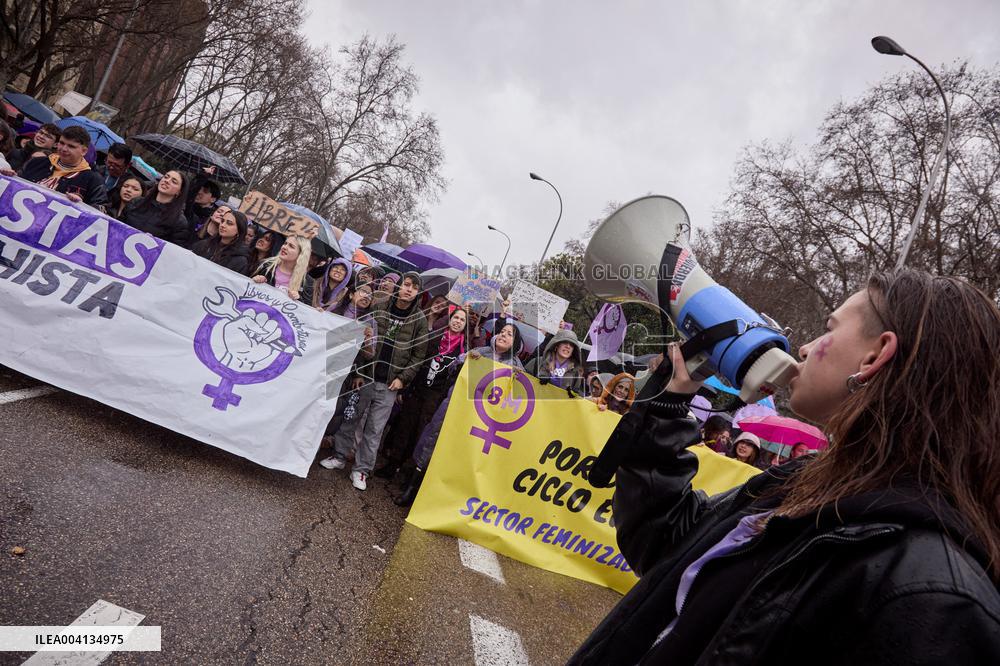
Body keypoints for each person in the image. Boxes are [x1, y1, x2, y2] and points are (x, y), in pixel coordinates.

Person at [570, 269, 1000, 664]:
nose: (806, 347)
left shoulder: (935, 600)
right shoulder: (802, 484)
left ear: (874, 358)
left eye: (828, 329)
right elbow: (665, 542)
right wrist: (671, 402)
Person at [394, 318, 524, 506]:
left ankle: (436, 497)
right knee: (434, 439)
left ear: (516, 343)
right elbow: (453, 366)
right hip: (455, 405)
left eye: (510, 334)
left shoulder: (516, 367)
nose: (504, 335)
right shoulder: (481, 352)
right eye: (502, 331)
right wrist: (465, 359)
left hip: (481, 418)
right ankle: (412, 488)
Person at [319, 272, 429, 492]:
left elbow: (419, 356)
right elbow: (362, 338)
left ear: (418, 293)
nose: (408, 289)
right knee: (351, 418)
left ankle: (361, 470)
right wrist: (359, 371)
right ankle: (340, 456)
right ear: (399, 286)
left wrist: (402, 379)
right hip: (367, 375)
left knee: (375, 429)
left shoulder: (420, 321)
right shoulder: (379, 307)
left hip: (390, 384)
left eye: (414, 287)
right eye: (406, 284)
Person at [377, 306, 468, 480]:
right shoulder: (434, 337)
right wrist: (406, 388)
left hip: (436, 396)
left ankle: (407, 471)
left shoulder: (464, 351)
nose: (458, 322)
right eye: (456, 318)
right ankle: (393, 463)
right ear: (449, 319)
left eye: (462, 320)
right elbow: (418, 362)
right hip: (418, 389)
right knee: (405, 426)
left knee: (421, 432)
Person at [18, 125, 109, 208]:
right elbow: (16, 182)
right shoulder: (37, 162)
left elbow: (102, 212)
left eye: (71, 146)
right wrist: (10, 175)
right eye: (61, 143)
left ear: (84, 151)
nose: (64, 149)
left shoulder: (93, 180)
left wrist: (82, 205)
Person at [122, 170, 189, 245]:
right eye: (166, 177)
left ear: (179, 192)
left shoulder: (179, 221)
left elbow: (172, 252)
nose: (167, 181)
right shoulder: (136, 202)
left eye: (174, 181)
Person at [251, 235, 313, 303]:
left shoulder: (307, 282)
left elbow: (306, 310)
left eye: (291, 246)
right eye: (285, 243)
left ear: (300, 255)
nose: (285, 247)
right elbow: (245, 287)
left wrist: (298, 299)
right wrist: (254, 280)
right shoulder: (266, 266)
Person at [525, 328, 587, 395]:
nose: (568, 346)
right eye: (565, 342)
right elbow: (521, 379)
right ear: (557, 345)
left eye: (571, 345)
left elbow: (576, 396)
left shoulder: (575, 374)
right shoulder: (538, 362)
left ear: (573, 351)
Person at [191, 207, 250, 274]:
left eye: (229, 223)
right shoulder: (203, 245)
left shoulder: (240, 261)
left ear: (239, 230)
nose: (222, 225)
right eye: (222, 221)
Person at [185, 173, 220, 237]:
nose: (199, 192)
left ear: (213, 199)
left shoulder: (214, 219)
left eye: (205, 191)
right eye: (199, 189)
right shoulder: (187, 207)